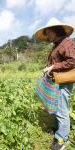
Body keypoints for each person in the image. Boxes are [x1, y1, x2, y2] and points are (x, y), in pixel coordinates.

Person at [34, 18, 75, 150]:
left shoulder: (67, 42)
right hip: (57, 80)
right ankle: (56, 128)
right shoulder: (58, 44)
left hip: (64, 81)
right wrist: (49, 68)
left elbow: (73, 60)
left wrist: (53, 67)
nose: (48, 35)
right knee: (56, 106)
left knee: (62, 109)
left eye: (49, 32)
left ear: (56, 31)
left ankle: (62, 139)